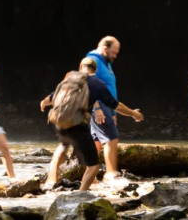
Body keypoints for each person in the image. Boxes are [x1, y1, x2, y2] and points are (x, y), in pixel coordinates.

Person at [40, 58, 122, 192]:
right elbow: (114, 104)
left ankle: (50, 181)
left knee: (63, 145)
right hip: (78, 126)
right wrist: (133, 114)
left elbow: (52, 98)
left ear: (80, 66)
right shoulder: (97, 83)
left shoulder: (70, 79)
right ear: (95, 70)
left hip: (60, 124)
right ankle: (81, 194)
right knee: (93, 165)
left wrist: (43, 103)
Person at [85, 36, 143, 180]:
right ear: (105, 48)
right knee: (111, 138)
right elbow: (87, 84)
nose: (115, 55)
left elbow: (110, 87)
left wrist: (114, 112)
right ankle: (110, 174)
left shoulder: (106, 63)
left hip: (108, 106)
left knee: (97, 141)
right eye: (113, 52)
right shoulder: (93, 60)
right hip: (99, 105)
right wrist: (97, 108)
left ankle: (90, 178)